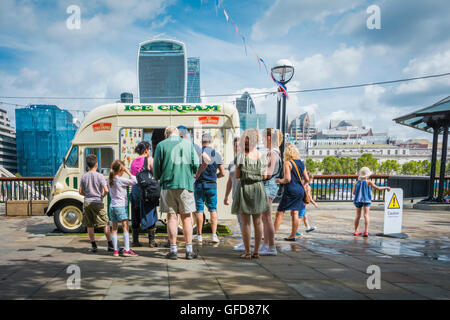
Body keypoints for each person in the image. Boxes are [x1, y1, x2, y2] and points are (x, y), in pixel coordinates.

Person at [153, 126, 200, 260]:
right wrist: (190, 175)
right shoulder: (188, 144)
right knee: (186, 217)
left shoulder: (161, 145)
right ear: (178, 134)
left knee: (172, 217)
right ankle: (189, 250)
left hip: (168, 185)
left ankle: (173, 250)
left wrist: (159, 177)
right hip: (185, 184)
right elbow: (196, 164)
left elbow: (156, 168)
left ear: (166, 135)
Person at [231, 129, 270, 259]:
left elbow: (237, 175)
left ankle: (247, 252)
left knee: (245, 223)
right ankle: (256, 252)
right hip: (258, 188)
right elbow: (265, 176)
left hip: (244, 188)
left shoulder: (240, 156)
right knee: (258, 222)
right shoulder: (262, 156)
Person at [193, 133, 226, 244]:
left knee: (199, 209)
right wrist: (215, 177)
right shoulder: (217, 154)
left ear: (202, 142)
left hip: (198, 184)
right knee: (213, 209)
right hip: (212, 185)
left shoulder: (198, 153)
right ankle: (214, 235)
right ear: (211, 141)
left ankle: (199, 235)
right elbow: (223, 173)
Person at [274, 144, 310, 241]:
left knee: (280, 213)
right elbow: (307, 179)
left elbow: (287, 179)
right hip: (300, 190)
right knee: (295, 212)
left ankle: (271, 234)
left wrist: (278, 180)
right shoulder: (302, 163)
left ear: (287, 153)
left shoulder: (287, 163)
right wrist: (301, 184)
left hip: (290, 190)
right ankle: (292, 235)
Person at [79, 154, 112, 253]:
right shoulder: (100, 176)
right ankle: (110, 245)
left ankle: (94, 245)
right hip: (97, 202)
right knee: (105, 223)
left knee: (90, 225)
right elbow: (106, 190)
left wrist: (86, 194)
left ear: (87, 165)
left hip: (87, 202)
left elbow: (80, 191)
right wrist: (102, 196)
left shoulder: (84, 176)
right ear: (96, 164)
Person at [259, 128, 283, 256]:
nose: (262, 141)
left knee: (267, 218)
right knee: (265, 218)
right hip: (272, 186)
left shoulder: (272, 153)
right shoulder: (277, 152)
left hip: (268, 186)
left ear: (269, 138)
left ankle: (271, 246)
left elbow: (268, 173)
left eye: (263, 138)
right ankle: (266, 245)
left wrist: (256, 174)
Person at [130, 141, 158, 248]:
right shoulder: (150, 160)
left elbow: (132, 177)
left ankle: (135, 241)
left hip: (135, 190)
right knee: (150, 213)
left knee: (135, 214)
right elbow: (155, 174)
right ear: (146, 150)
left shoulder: (133, 162)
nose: (150, 151)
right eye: (149, 149)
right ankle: (151, 241)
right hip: (147, 191)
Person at [224, 137, 250, 252]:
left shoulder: (247, 159)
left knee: (246, 221)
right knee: (240, 221)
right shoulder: (232, 162)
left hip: (245, 193)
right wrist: (226, 195)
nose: (236, 147)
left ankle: (247, 245)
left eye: (238, 145)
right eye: (234, 145)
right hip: (236, 195)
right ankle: (245, 243)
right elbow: (230, 180)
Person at [108, 160, 139, 257]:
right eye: (123, 169)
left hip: (112, 206)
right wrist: (128, 172)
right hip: (121, 206)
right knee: (125, 227)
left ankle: (116, 251)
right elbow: (135, 181)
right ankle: (126, 250)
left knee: (114, 228)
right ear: (121, 170)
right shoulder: (120, 180)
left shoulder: (110, 180)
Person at [352, 167, 390, 237]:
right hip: (366, 200)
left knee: (358, 215)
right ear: (367, 175)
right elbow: (378, 188)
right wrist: (386, 187)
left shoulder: (356, 182)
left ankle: (356, 231)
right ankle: (366, 232)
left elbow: (354, 193)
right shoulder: (369, 182)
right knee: (366, 215)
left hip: (358, 200)